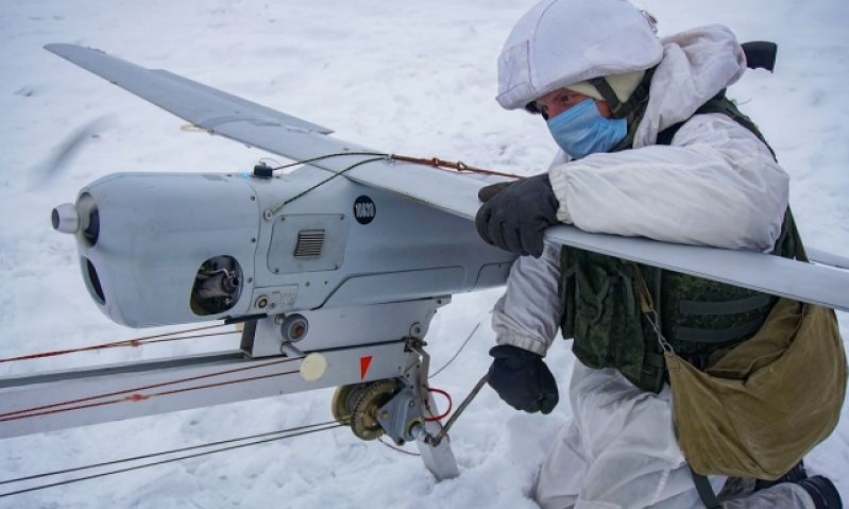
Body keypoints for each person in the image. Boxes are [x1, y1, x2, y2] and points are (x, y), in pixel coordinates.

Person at [474, 0, 843, 508]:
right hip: (615, 378)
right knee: (552, 499)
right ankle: (734, 481)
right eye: (546, 108)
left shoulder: (709, 133)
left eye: (566, 98)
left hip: (707, 393)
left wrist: (563, 193)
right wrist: (519, 342)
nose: (557, 120)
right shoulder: (593, 153)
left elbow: (748, 204)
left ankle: (800, 499)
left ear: (618, 81)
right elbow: (555, 249)